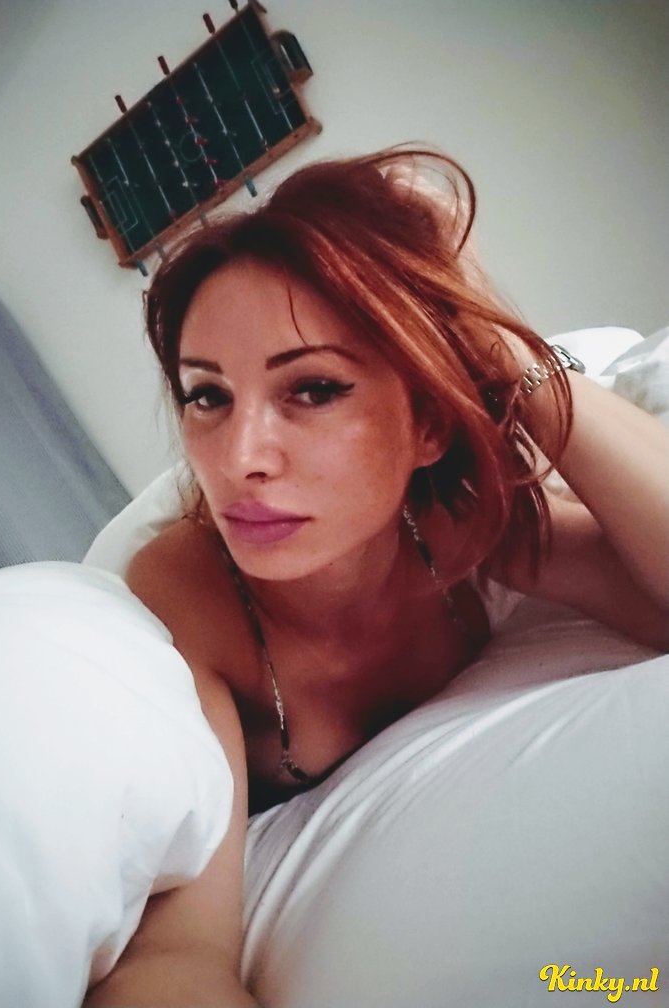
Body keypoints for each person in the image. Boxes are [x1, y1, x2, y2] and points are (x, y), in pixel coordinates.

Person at [84, 146, 669, 1008]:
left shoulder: (453, 526)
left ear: (427, 425)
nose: (240, 459)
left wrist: (488, 330)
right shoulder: (185, 598)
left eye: (314, 389)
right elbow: (176, 951)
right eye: (207, 396)